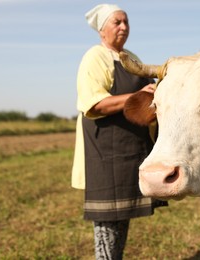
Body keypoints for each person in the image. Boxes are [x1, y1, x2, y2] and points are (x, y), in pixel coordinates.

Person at [71, 3, 167, 259]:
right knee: (107, 223)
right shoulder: (95, 56)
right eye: (117, 22)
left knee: (121, 220)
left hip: (130, 152)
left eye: (126, 22)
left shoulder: (131, 58)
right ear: (103, 30)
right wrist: (135, 96)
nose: (124, 27)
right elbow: (95, 104)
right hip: (106, 153)